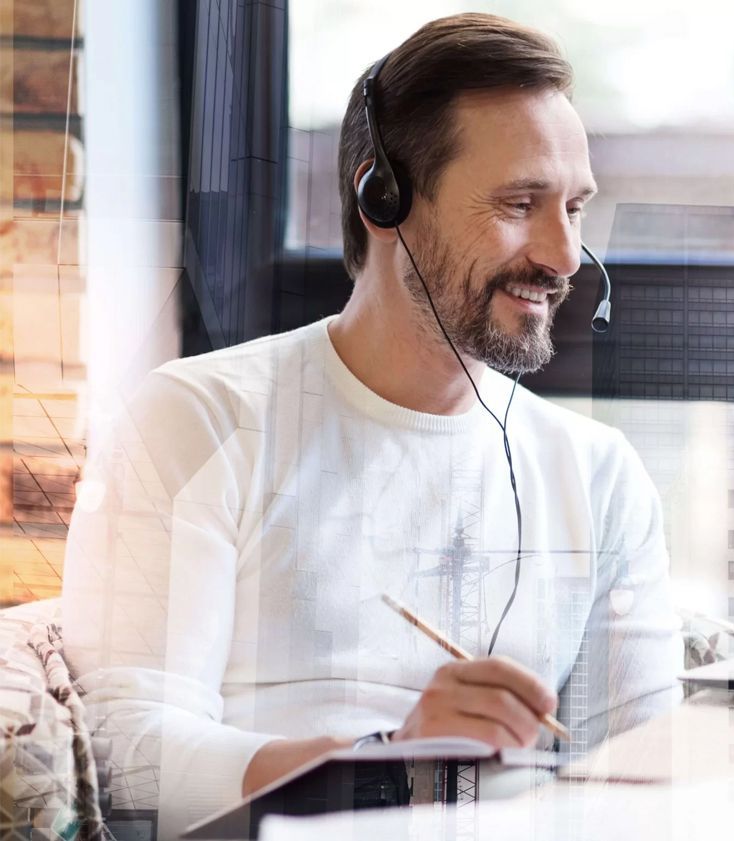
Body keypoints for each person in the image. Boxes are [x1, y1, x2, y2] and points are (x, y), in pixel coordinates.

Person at [61, 13, 680, 837]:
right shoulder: (198, 418)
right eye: (519, 203)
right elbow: (127, 757)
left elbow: (644, 778)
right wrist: (384, 765)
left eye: (574, 207)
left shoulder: (600, 475)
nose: (565, 255)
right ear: (382, 198)